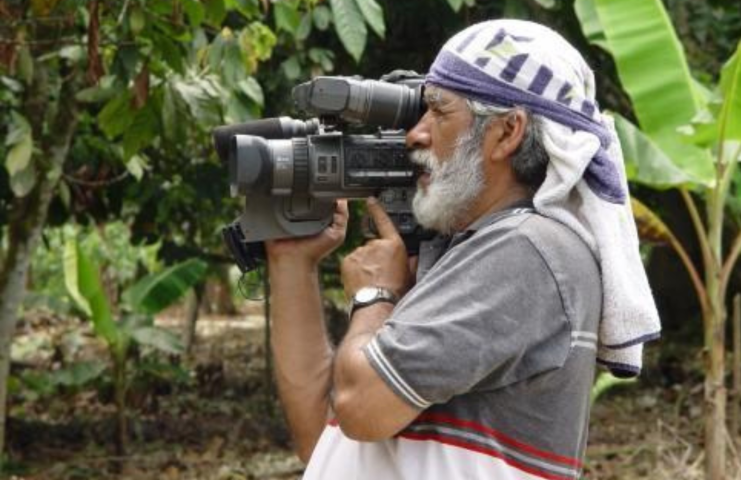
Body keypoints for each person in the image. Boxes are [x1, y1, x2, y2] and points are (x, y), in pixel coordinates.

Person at [265, 19, 660, 480]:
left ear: (508, 131)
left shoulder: (528, 251)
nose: (415, 134)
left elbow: (361, 407)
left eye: (438, 111)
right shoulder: (470, 250)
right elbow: (323, 436)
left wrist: (375, 296)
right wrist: (291, 260)